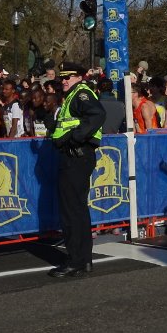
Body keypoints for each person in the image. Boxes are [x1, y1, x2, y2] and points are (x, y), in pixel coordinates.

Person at [48, 62, 105, 278]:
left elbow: (97, 115)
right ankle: (84, 259)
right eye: (62, 77)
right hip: (77, 156)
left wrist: (75, 138)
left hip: (75, 156)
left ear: (80, 77)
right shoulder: (74, 95)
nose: (64, 81)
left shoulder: (81, 93)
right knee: (78, 209)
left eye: (68, 77)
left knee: (71, 210)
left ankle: (75, 260)